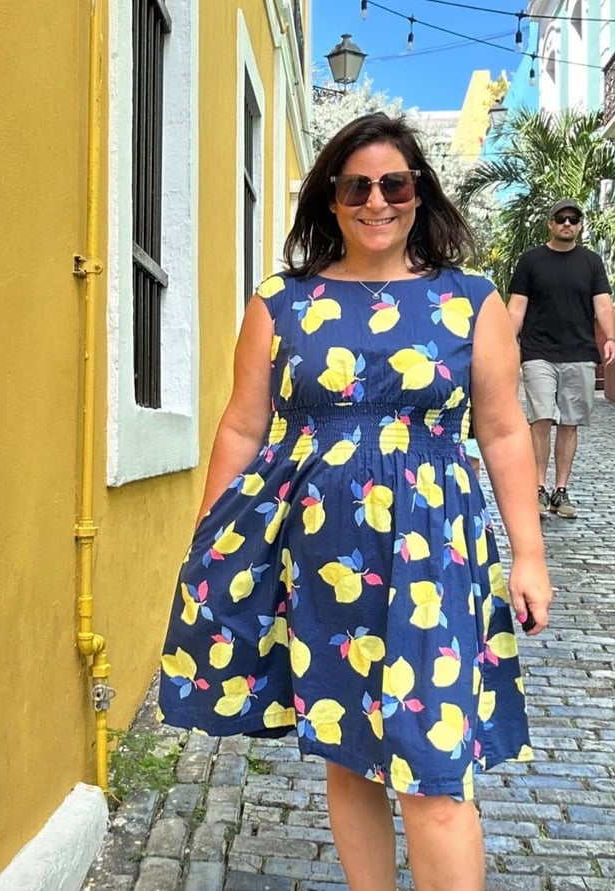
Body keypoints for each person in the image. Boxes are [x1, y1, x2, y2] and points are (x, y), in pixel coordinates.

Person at [158, 113, 552, 891]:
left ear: (419, 193)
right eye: (357, 187)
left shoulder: (469, 301)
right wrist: (211, 539)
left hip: (435, 556)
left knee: (435, 769)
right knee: (350, 754)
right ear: (330, 199)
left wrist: (530, 556)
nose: (377, 201)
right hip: (322, 556)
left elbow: (505, 431)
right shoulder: (281, 301)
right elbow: (243, 425)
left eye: (394, 184)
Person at [507, 199, 615, 519]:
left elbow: (603, 305)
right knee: (541, 418)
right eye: (561, 218)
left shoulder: (591, 262)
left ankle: (560, 490)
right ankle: (538, 488)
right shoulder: (530, 261)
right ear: (550, 223)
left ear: (580, 225)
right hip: (538, 352)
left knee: (569, 422)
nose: (567, 223)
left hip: (579, 352)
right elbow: (516, 308)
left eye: (573, 218)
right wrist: (505, 343)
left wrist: (611, 337)